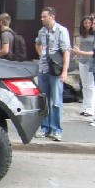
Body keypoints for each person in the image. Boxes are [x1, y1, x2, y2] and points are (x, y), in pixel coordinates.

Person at [34, 7, 71, 141]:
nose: (42, 19)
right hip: (44, 69)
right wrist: (41, 54)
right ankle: (45, 128)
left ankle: (56, 129)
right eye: (41, 17)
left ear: (52, 17)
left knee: (56, 101)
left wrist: (64, 71)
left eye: (44, 16)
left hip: (56, 70)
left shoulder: (62, 30)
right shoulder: (42, 31)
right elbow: (37, 43)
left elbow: (66, 51)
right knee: (44, 100)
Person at [76, 15, 95, 116]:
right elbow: (80, 45)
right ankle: (85, 107)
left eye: (89, 23)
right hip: (82, 60)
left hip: (91, 60)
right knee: (84, 85)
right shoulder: (82, 34)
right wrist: (77, 52)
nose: (87, 25)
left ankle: (91, 108)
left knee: (90, 85)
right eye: (85, 23)